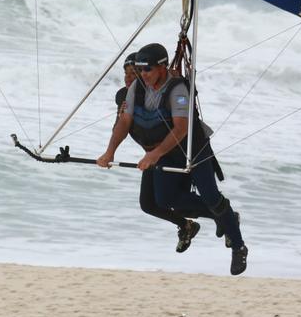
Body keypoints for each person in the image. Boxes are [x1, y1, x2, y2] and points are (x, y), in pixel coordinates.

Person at [98, 43, 248, 275]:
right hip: (166, 151)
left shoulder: (177, 90)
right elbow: (125, 122)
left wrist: (153, 154)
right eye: (139, 70)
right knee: (166, 199)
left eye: (147, 69)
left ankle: (238, 245)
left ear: (161, 67)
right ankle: (218, 219)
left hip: (192, 149)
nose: (143, 75)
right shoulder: (137, 87)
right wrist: (110, 152)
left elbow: (180, 129)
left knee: (211, 198)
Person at [113, 52, 222, 253]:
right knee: (148, 204)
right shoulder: (127, 96)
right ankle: (187, 225)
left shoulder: (167, 91)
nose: (128, 79)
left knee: (171, 200)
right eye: (126, 74)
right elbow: (122, 126)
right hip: (153, 154)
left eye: (133, 74)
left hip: (175, 153)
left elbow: (178, 127)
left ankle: (223, 213)